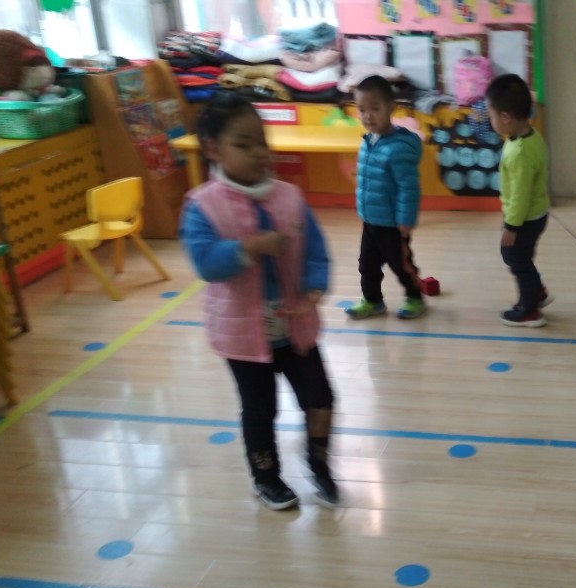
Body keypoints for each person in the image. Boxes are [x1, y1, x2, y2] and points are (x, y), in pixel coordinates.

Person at [179, 92, 339, 510]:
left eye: (262, 142)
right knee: (259, 409)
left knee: (320, 397)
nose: (258, 152)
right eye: (243, 144)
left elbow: (316, 251)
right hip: (243, 336)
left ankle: (319, 463)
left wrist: (314, 288)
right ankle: (266, 477)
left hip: (295, 327)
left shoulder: (289, 197)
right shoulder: (202, 206)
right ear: (214, 149)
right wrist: (248, 248)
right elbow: (205, 262)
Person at [345, 75, 426, 320]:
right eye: (362, 110)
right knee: (367, 265)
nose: (367, 116)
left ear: (391, 108)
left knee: (401, 265)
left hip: (393, 225)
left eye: (375, 108)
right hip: (370, 220)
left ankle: (415, 297)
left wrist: (405, 222)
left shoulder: (399, 148)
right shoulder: (368, 141)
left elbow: (409, 189)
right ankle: (373, 301)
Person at [485, 73, 552, 327]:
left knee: (515, 257)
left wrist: (511, 226)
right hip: (535, 214)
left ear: (506, 117)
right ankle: (537, 292)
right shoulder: (530, 136)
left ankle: (529, 310)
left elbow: (520, 196)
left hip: (525, 218)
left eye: (491, 115)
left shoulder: (520, 153)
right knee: (522, 257)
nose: (491, 121)